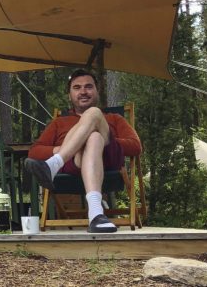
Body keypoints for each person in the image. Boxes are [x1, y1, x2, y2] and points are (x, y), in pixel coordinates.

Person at [24, 69, 141, 233]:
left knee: (93, 118)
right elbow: (34, 152)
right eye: (77, 88)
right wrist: (71, 146)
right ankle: (96, 215)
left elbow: (136, 146)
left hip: (108, 160)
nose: (83, 91)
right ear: (69, 94)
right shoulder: (59, 123)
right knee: (93, 137)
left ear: (97, 91)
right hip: (75, 164)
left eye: (88, 87)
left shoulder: (114, 119)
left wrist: (103, 136)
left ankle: (55, 163)